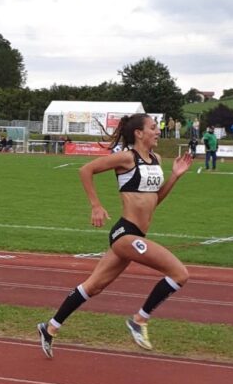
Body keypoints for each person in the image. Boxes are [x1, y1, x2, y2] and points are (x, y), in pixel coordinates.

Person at [36, 114, 192, 357]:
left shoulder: (156, 159)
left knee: (93, 286)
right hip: (124, 234)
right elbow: (86, 170)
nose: (158, 131)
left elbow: (154, 201)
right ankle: (139, 320)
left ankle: (50, 327)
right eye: (153, 127)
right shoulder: (126, 158)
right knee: (180, 273)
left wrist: (174, 176)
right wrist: (95, 205)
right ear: (139, 133)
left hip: (136, 234)